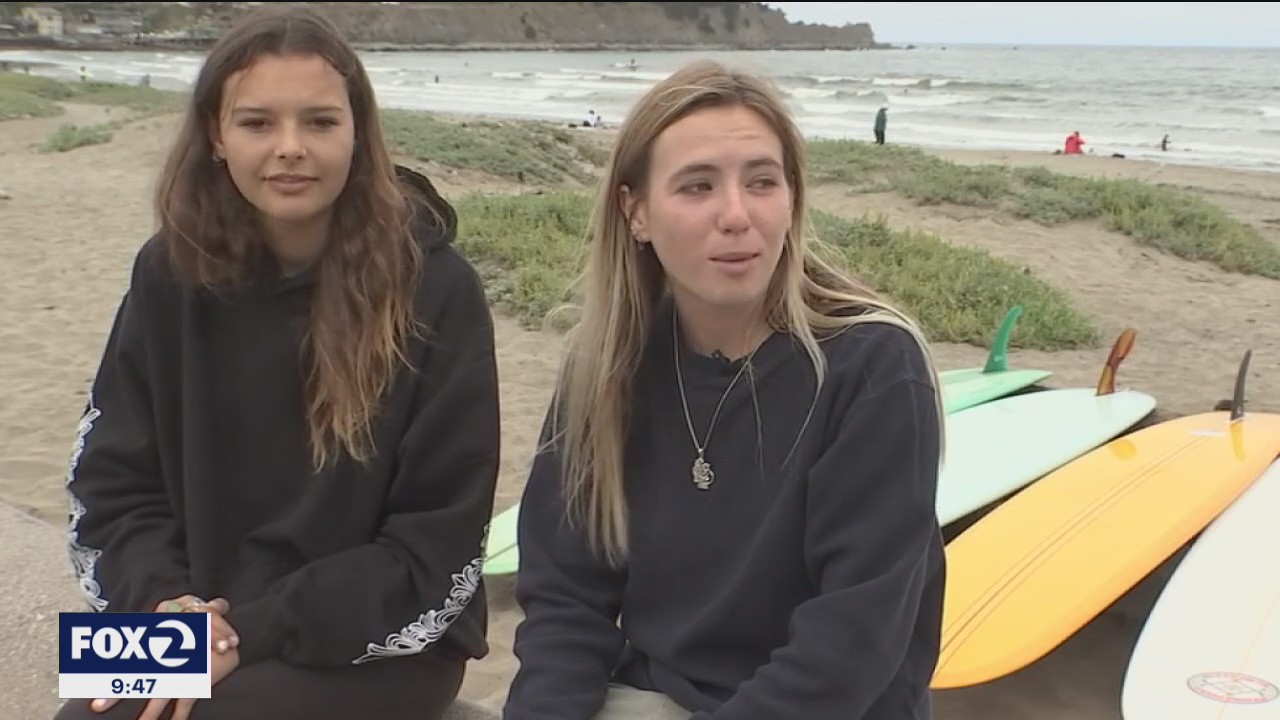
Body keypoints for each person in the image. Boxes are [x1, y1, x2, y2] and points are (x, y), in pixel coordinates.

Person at [55, 6, 500, 720]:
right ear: (217, 136)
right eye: (258, 122)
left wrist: (240, 633)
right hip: (187, 611)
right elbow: (113, 484)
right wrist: (164, 606)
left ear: (358, 133)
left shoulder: (438, 288)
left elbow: (434, 541)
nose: (290, 147)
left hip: (374, 635)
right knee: (83, 715)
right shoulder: (168, 272)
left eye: (320, 122)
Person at [503, 59, 946, 720]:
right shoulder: (606, 366)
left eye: (762, 182)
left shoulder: (873, 365)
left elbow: (851, 644)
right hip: (659, 695)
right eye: (697, 186)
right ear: (637, 212)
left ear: (791, 197)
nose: (736, 215)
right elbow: (567, 595)